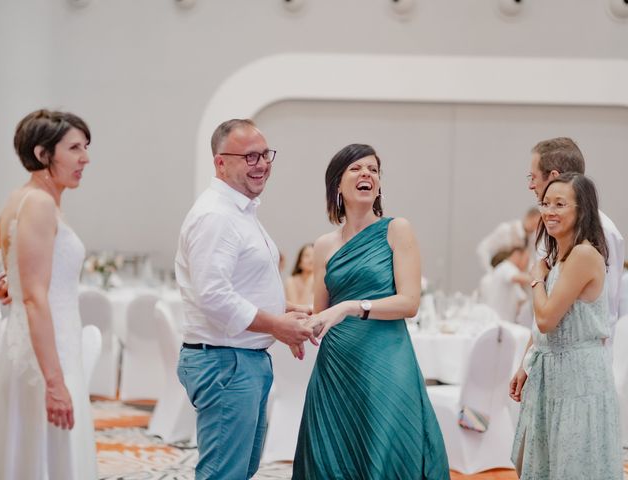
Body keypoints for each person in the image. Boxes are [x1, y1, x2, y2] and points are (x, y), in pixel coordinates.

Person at [292, 144, 450, 479]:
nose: (367, 174)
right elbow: (323, 311)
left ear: (378, 186)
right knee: (331, 456)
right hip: (337, 364)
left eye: (373, 170)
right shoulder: (323, 245)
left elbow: (409, 303)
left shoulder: (397, 229)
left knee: (388, 448)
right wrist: (299, 315)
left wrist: (351, 307)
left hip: (386, 359)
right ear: (337, 184)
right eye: (356, 168)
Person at [175, 118, 316, 480]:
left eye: (266, 154)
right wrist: (277, 326)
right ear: (220, 162)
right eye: (250, 156)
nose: (263, 164)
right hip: (226, 363)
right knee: (224, 473)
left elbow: (238, 286)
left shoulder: (240, 212)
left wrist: (287, 310)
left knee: (240, 469)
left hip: (241, 361)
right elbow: (213, 296)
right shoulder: (216, 216)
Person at [0, 109, 97, 479]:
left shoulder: (22, 198)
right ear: (42, 154)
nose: (85, 158)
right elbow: (34, 297)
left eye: (86, 147)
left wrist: (9, 281)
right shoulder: (38, 202)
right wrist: (54, 384)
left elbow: (17, 271)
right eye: (74, 148)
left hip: (42, 342)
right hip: (47, 351)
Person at [510, 173, 622, 478]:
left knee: (573, 463)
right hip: (551, 375)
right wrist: (525, 364)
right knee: (548, 462)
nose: (550, 212)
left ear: (581, 210)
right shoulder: (558, 258)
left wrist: (535, 276)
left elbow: (546, 319)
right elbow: (545, 324)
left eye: (560, 204)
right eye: (546, 204)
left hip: (578, 379)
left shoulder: (584, 254)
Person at [526, 137, 624, 339]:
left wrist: (536, 278)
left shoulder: (603, 231)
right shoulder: (553, 228)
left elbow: (607, 308)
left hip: (580, 352)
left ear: (553, 177)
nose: (531, 185)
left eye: (533, 177)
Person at [476, 207, 540, 272]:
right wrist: (490, 270)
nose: (535, 228)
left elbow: (530, 260)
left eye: (537, 226)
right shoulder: (506, 230)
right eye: (534, 223)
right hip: (500, 272)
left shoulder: (532, 238)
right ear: (527, 217)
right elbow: (483, 248)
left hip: (516, 276)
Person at [478, 245, 531, 323]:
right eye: (526, 260)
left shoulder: (507, 273)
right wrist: (539, 277)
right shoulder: (507, 267)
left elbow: (522, 299)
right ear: (517, 254)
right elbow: (519, 278)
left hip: (500, 321)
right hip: (499, 321)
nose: (526, 264)